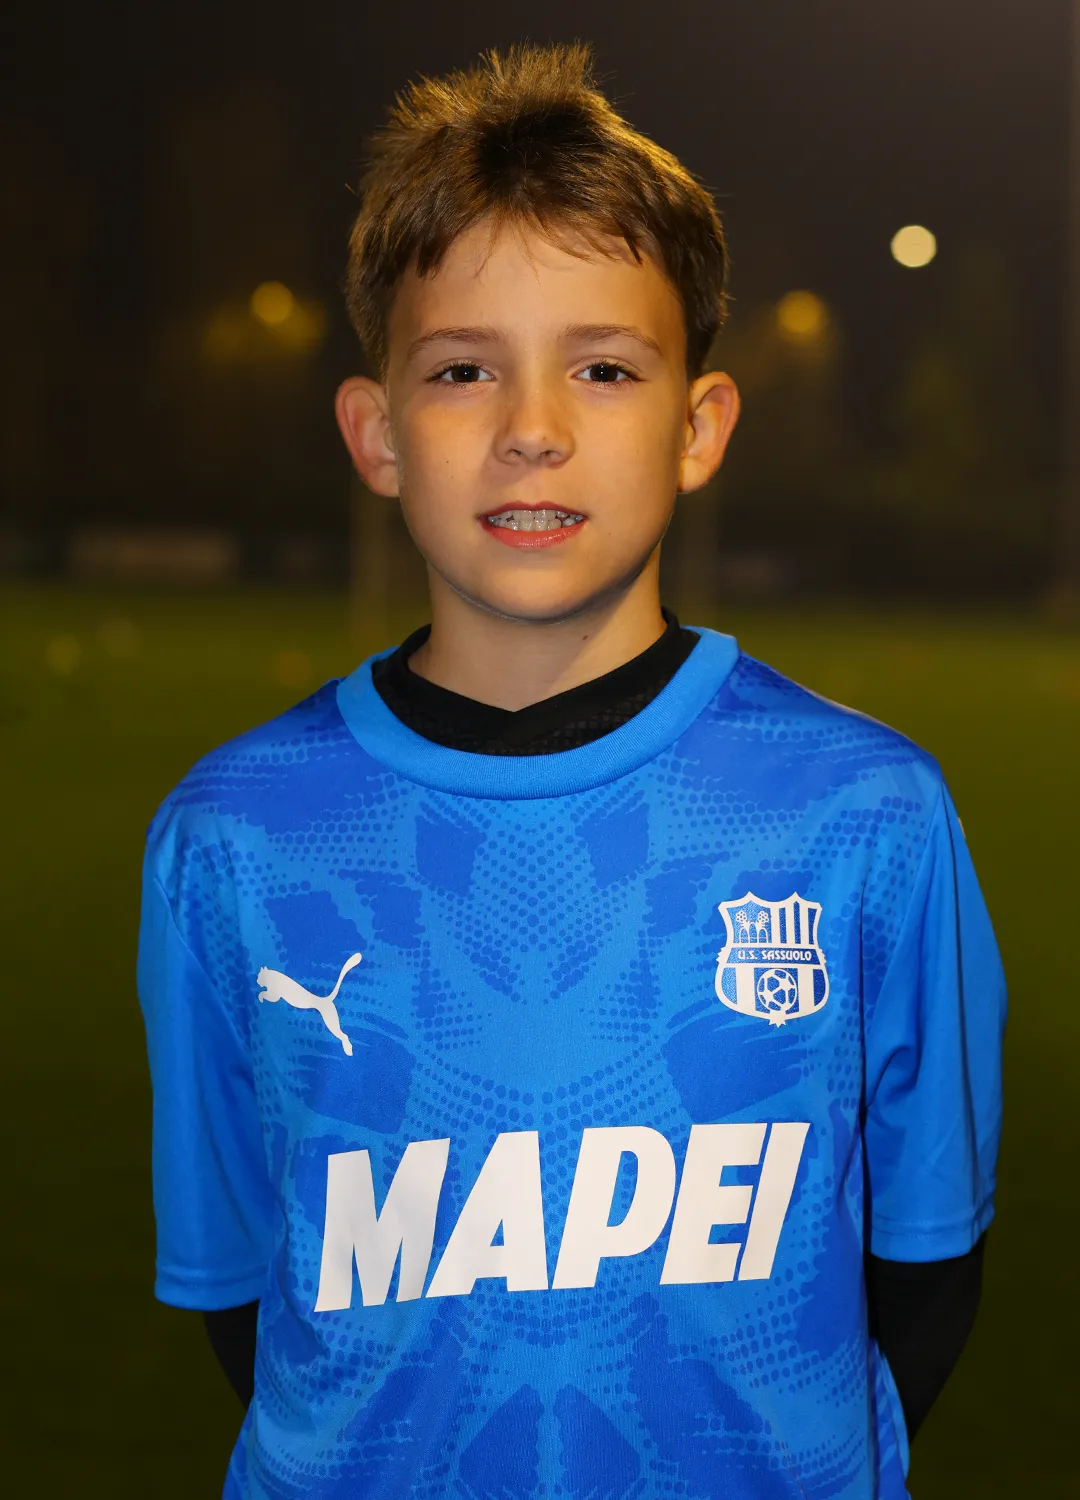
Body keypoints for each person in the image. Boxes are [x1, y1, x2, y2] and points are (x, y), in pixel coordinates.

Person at [137, 42, 1004, 1500]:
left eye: (603, 368)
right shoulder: (230, 839)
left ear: (698, 427)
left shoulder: (867, 817)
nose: (532, 429)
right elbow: (247, 1294)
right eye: (462, 370)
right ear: (376, 436)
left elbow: (925, 1279)